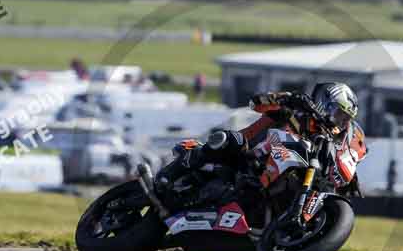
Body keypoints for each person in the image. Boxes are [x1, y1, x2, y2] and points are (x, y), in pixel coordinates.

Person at [156, 82, 367, 206]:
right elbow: (255, 102)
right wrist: (288, 99)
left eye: (346, 119)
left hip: (269, 177)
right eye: (340, 114)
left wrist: (350, 179)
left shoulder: (323, 141)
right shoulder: (295, 110)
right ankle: (168, 176)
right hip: (248, 152)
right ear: (325, 102)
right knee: (227, 141)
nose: (341, 122)